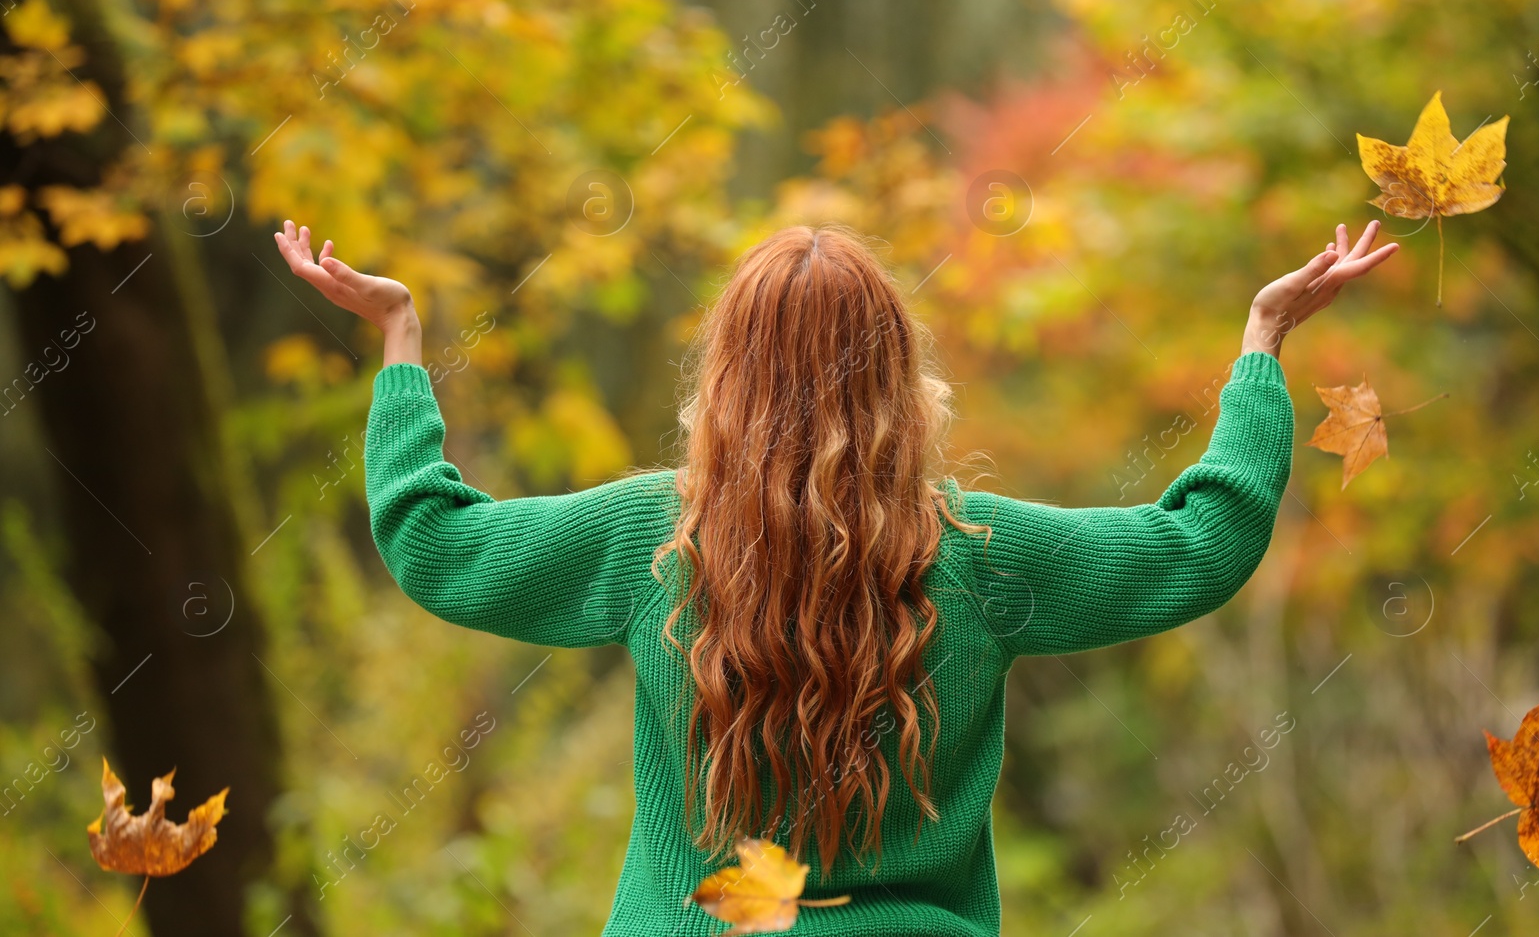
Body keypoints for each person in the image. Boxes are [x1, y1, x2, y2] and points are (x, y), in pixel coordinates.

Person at [274, 217, 1396, 936]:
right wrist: (1260, 347)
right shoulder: (982, 556)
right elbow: (1197, 545)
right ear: (898, 376)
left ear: (724, 380)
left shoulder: (647, 543)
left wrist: (402, 339)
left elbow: (432, 542)